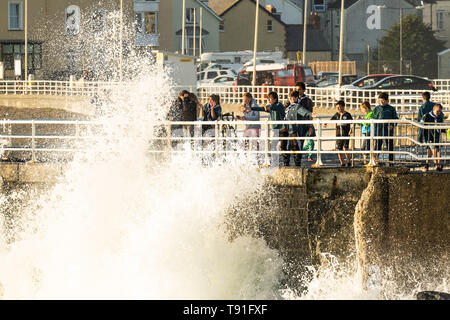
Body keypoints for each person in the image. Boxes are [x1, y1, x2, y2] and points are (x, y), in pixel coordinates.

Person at [284, 90, 316, 166]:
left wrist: (311, 114)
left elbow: (304, 111)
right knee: (288, 147)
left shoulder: (297, 106)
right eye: (290, 97)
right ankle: (287, 163)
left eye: (293, 97)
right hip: (289, 130)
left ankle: (297, 164)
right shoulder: (288, 107)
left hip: (296, 131)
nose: (291, 99)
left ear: (297, 98)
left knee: (296, 147)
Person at [373, 92, 399, 165]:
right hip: (379, 131)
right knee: (377, 146)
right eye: (380, 100)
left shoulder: (391, 109)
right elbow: (372, 118)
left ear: (387, 101)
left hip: (388, 132)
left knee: (390, 147)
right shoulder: (376, 109)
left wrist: (392, 125)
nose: (381, 101)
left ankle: (391, 162)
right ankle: (375, 160)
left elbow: (396, 119)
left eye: (383, 100)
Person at [326, 100, 353, 167]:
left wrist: (351, 129)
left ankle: (348, 161)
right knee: (339, 148)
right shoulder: (336, 115)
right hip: (338, 134)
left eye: (339, 107)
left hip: (345, 134)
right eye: (337, 107)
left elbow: (352, 122)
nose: (338, 109)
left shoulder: (347, 115)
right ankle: (342, 163)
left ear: (343, 107)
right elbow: (331, 120)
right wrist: (325, 123)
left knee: (345, 148)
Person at [419, 103, 445, 171]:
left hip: (436, 136)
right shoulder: (426, 116)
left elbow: (442, 127)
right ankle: (437, 165)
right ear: (433, 109)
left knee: (430, 151)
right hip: (429, 136)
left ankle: (427, 165)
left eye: (440, 111)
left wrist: (445, 131)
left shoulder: (439, 117)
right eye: (437, 111)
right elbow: (421, 126)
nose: (438, 113)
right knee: (435, 150)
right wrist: (421, 138)